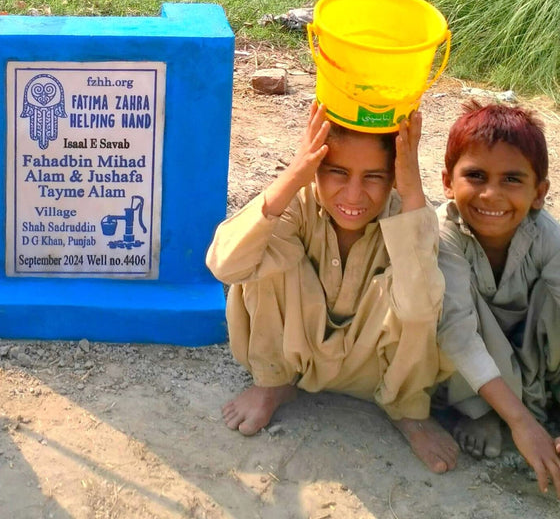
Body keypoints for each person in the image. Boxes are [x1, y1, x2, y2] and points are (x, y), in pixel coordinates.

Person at [206, 101, 459, 474]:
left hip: (369, 368)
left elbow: (420, 309)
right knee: (265, 250)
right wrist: (294, 174)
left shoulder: (406, 214)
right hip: (296, 356)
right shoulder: (297, 203)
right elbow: (225, 264)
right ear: (314, 168)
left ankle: (407, 408)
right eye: (337, 172)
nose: (354, 196)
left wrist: (411, 194)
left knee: (417, 281)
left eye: (374, 176)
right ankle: (272, 383)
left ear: (393, 177)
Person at [436, 102, 560, 496]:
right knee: (436, 299)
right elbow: (457, 333)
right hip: (465, 369)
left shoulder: (545, 237)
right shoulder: (444, 235)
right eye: (475, 176)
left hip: (530, 362)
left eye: (512, 179)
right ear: (447, 183)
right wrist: (523, 424)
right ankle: (484, 411)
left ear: (539, 193)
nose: (491, 194)